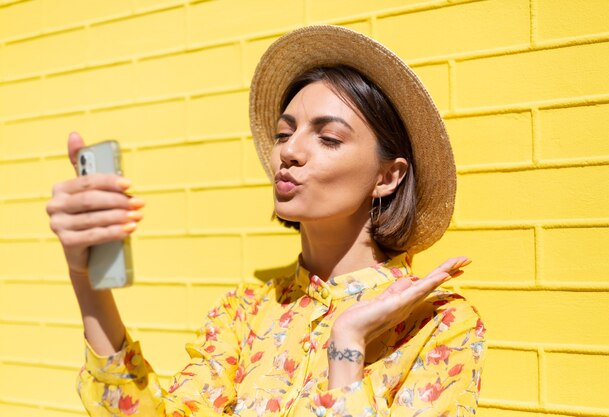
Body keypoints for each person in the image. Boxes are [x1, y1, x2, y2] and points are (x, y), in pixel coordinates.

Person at [46, 25, 486, 416]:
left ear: (388, 177)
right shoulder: (245, 312)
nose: (289, 151)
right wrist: (86, 279)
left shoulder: (440, 325)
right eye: (283, 133)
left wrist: (347, 345)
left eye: (328, 137)